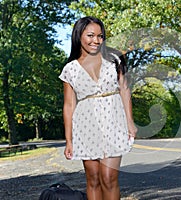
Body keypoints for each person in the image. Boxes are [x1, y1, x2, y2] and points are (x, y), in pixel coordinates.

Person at [59, 16, 137, 200]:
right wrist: (69, 139)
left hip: (113, 122)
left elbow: (125, 90)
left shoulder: (114, 60)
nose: (96, 40)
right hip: (86, 125)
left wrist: (130, 122)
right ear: (79, 36)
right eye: (90, 35)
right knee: (93, 179)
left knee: (109, 178)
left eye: (100, 36)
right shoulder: (70, 69)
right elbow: (69, 105)